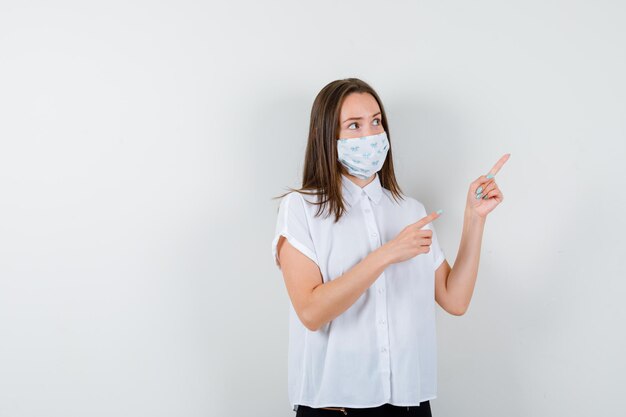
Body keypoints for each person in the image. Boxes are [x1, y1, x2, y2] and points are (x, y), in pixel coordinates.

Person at [271, 78, 509, 416]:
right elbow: (311, 312)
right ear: (327, 137)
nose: (370, 135)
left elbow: (454, 300)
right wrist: (387, 253)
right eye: (354, 125)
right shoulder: (302, 209)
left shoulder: (409, 210)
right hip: (335, 408)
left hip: (408, 404)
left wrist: (475, 217)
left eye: (376, 121)